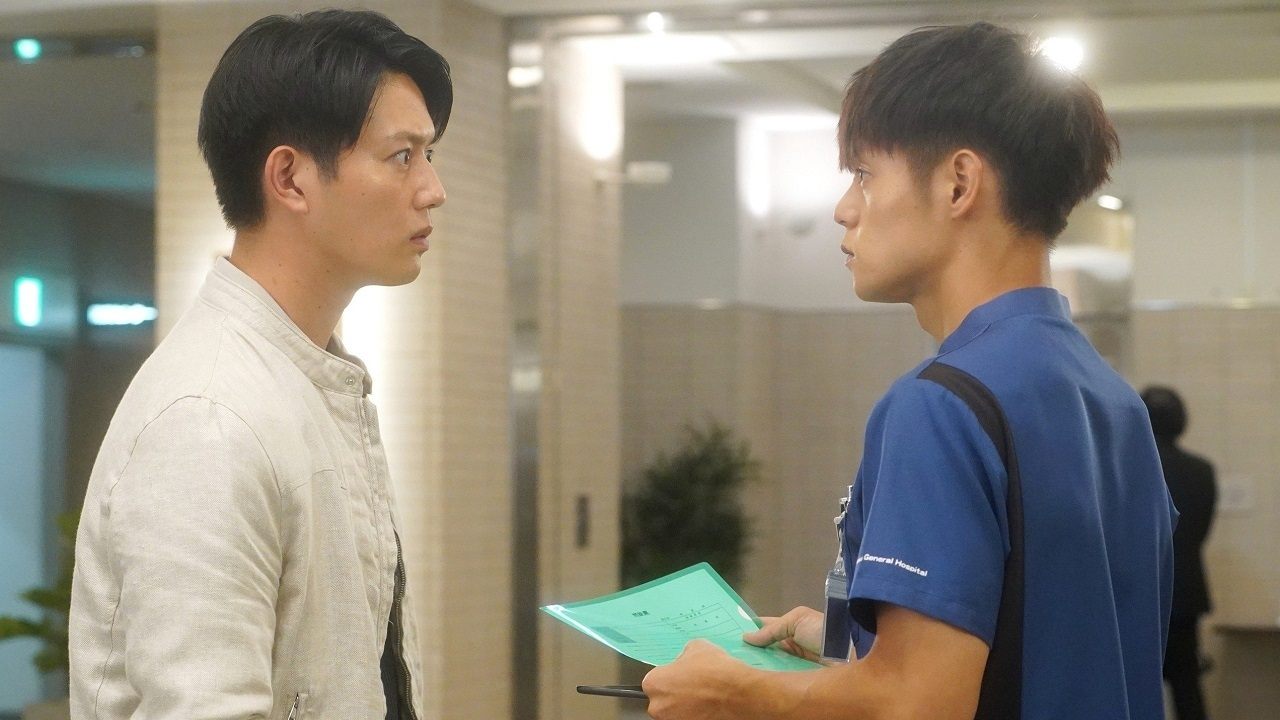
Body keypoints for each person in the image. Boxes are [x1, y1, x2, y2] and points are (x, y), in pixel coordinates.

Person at [643, 22, 1176, 720]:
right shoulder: (1110, 399)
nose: (844, 208)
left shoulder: (943, 405)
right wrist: (853, 641)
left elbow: (918, 703)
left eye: (864, 175)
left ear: (959, 183)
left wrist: (735, 690)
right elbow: (1048, 640)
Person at [68, 10, 449, 719]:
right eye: (403, 156)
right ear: (290, 178)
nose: (432, 188)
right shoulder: (208, 420)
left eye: (428, 156)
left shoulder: (310, 381)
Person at [1142, 386, 1217, 720]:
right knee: (1188, 688)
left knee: (1137, 686)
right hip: (1186, 592)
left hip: (1139, 593)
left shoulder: (1126, 467)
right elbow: (1199, 533)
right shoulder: (1202, 470)